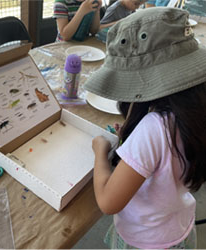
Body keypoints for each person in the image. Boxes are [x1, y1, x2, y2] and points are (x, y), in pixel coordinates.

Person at [84, 7, 206, 249]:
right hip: (178, 227)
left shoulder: (155, 128)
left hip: (145, 240)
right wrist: (133, 139)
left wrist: (100, 152)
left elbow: (108, 202)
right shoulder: (194, 111)